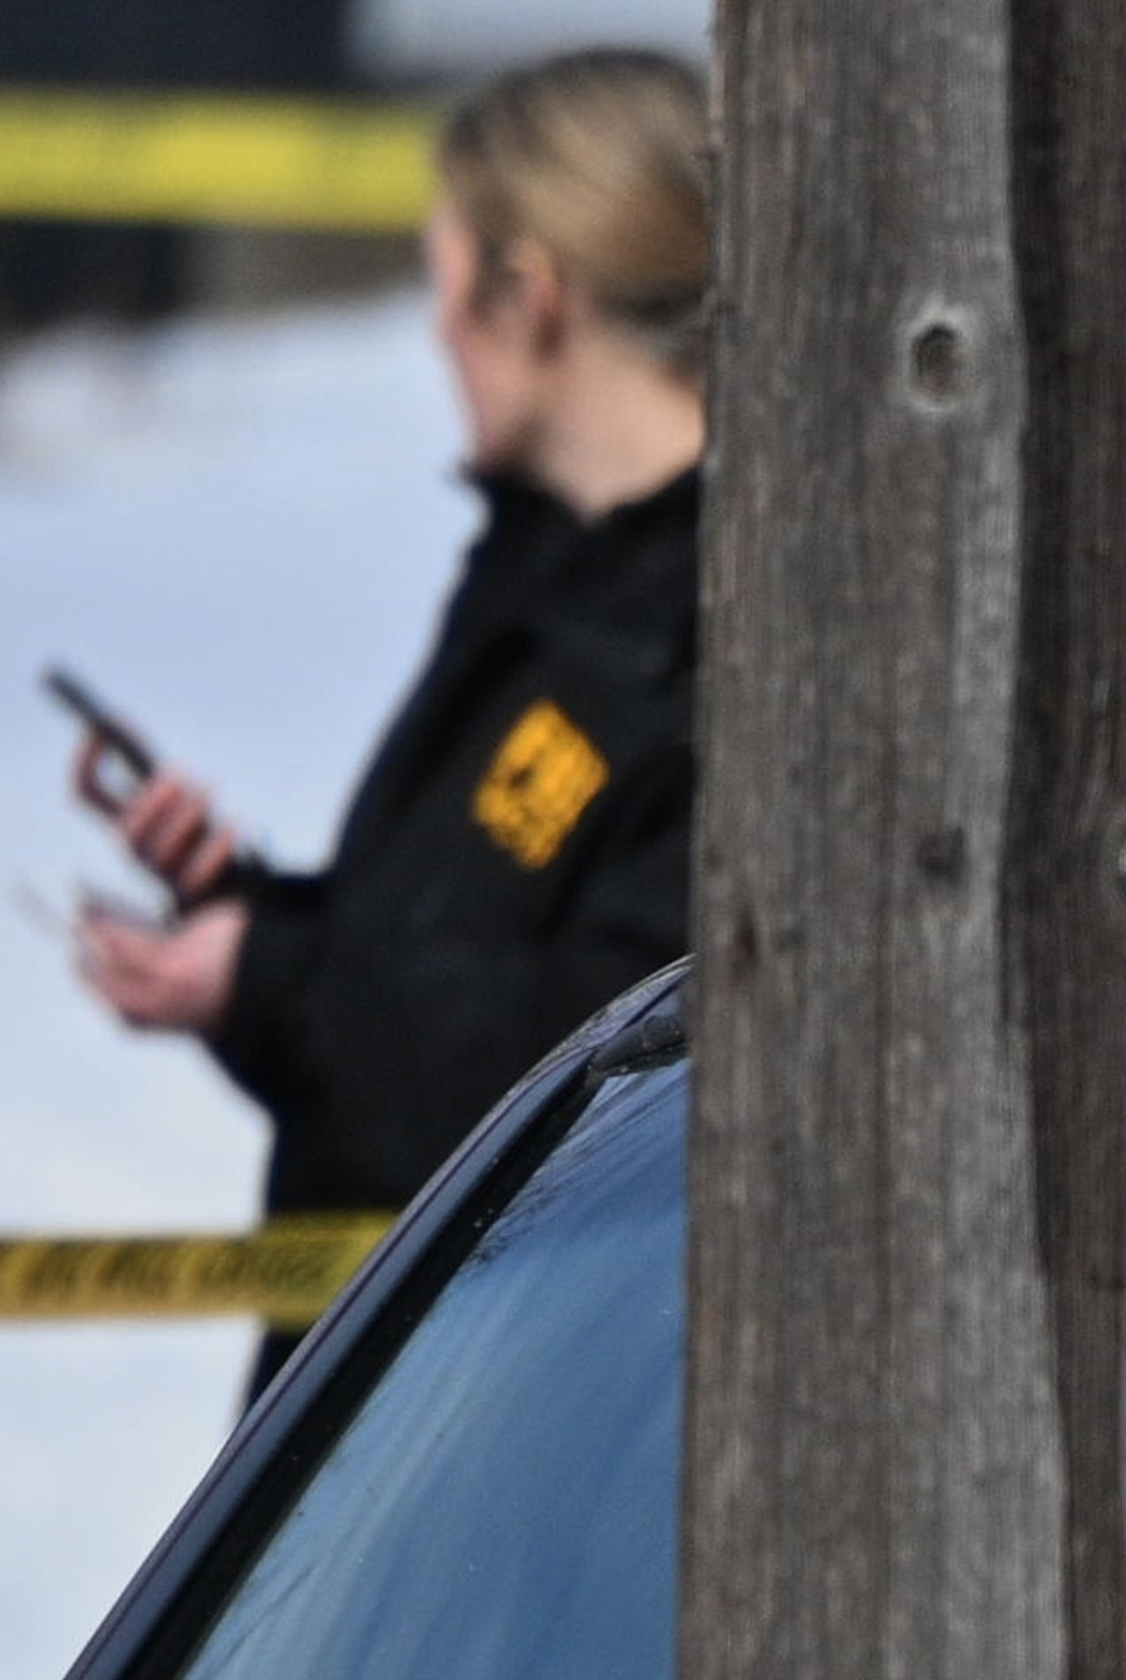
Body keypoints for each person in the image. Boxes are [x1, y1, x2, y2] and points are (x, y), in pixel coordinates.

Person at [72, 48, 709, 1294]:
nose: (431, 331)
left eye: (446, 282)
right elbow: (443, 975)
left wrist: (278, 980)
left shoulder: (727, 626)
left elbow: (609, 1086)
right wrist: (256, 923)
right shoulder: (543, 581)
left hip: (544, 1418)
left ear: (530, 296)